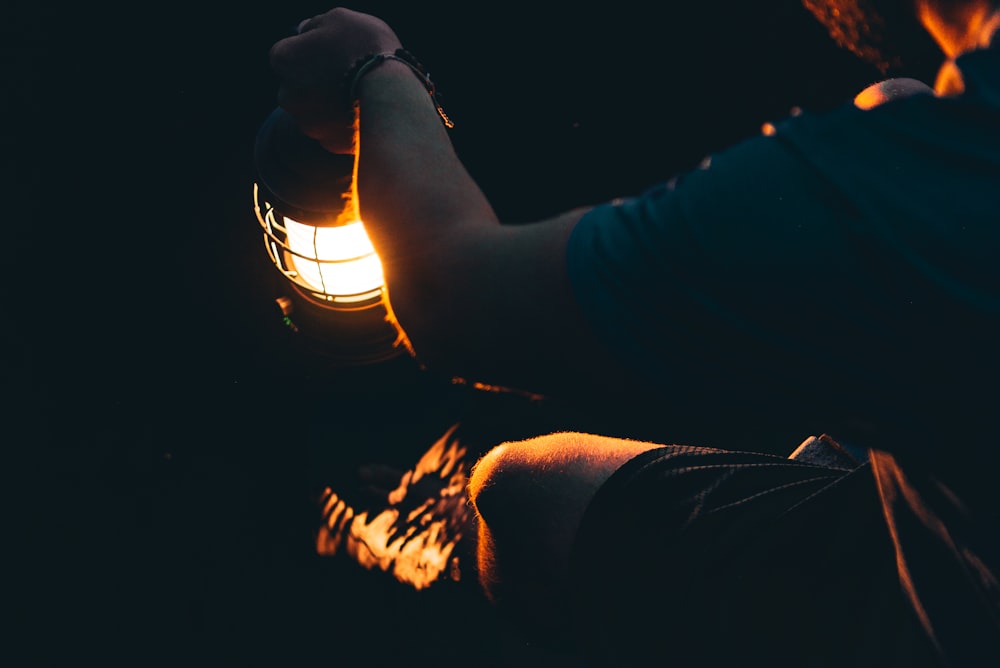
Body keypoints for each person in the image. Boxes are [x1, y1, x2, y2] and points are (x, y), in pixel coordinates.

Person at [269, 2, 1000, 666]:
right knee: (898, 101)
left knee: (517, 490)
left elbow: (449, 293)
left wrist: (375, 72)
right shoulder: (931, 154)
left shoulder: (903, 185)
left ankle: (451, 542)